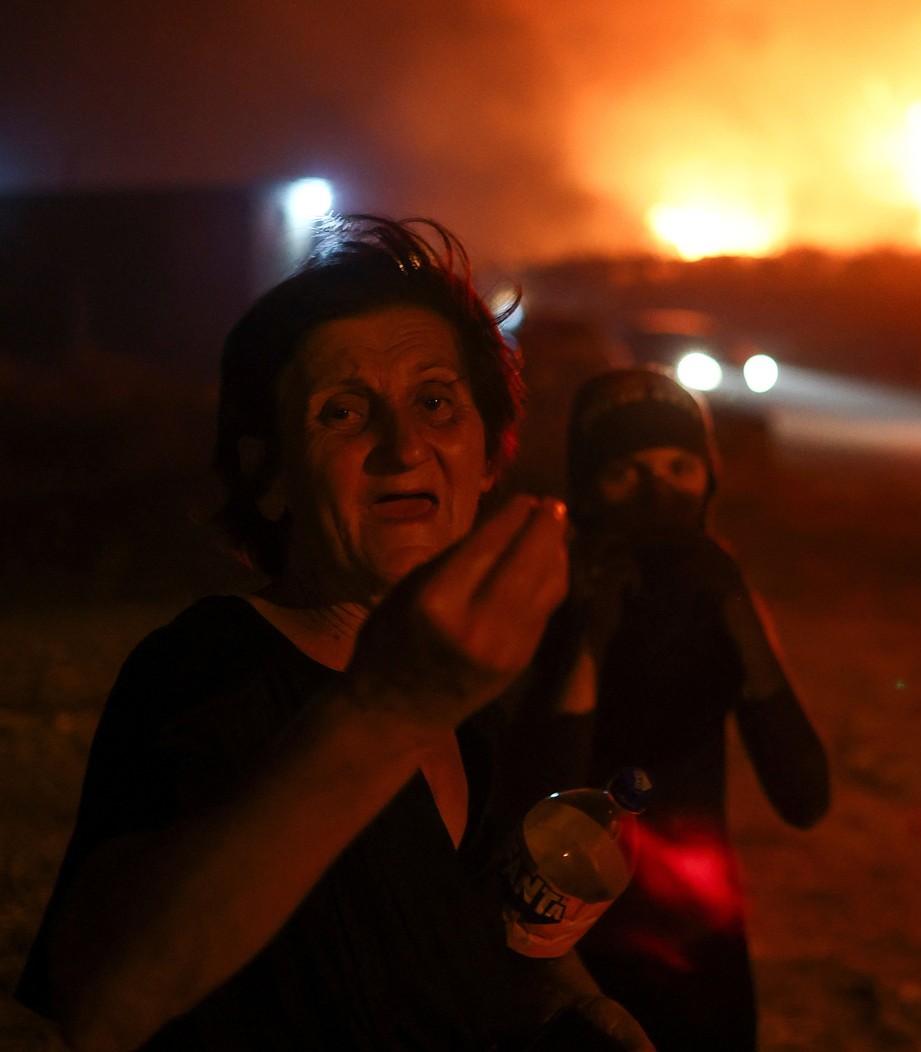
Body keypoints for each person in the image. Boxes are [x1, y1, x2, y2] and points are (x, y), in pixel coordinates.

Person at [15, 216, 651, 1051]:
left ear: (489, 455)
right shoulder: (209, 669)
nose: (404, 447)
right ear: (269, 476)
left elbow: (445, 927)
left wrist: (566, 998)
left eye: (435, 402)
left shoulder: (466, 697)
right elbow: (104, 1001)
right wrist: (388, 708)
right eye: (343, 413)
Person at [523, 367, 830, 1051]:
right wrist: (589, 634)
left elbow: (805, 796)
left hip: (705, 947)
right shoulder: (544, 603)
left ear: (709, 477)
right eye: (626, 472)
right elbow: (548, 814)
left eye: (679, 466)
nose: (659, 493)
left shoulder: (714, 598)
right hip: (575, 952)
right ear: (587, 491)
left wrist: (734, 607)